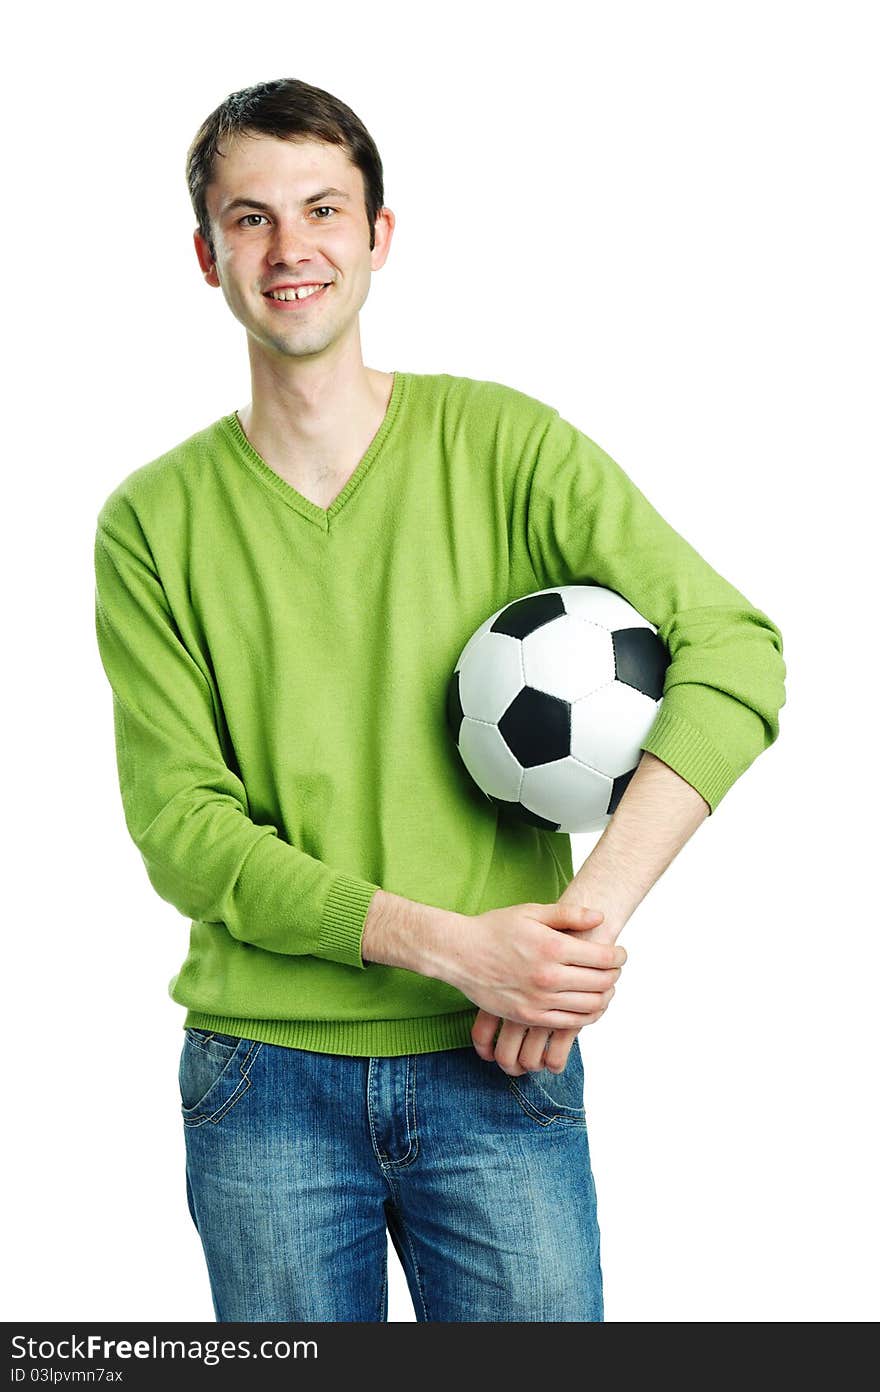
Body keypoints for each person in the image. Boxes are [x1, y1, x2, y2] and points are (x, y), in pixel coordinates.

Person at [92, 77, 786, 1323]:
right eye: (250, 219)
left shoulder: (510, 449)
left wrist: (577, 932)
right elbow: (181, 829)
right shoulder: (151, 521)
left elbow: (735, 651)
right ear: (206, 256)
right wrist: (457, 947)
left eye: (321, 208)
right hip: (265, 1084)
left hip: (498, 1066)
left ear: (378, 235)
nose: (290, 247)